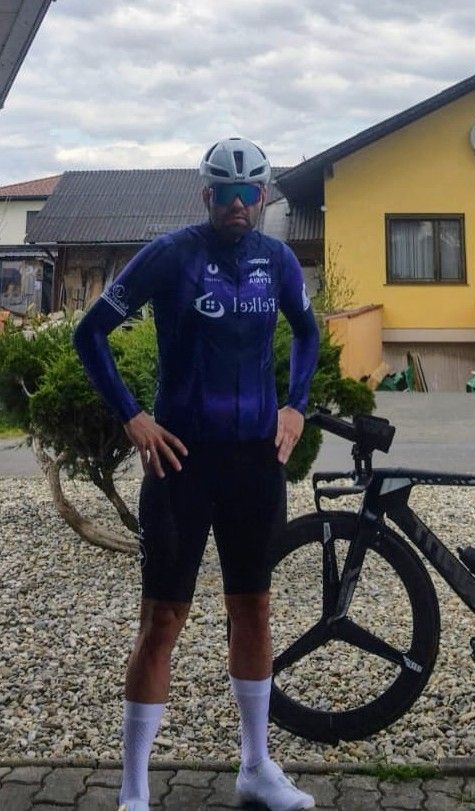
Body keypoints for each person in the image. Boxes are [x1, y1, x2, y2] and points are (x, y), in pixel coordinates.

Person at [73, 137, 320, 811]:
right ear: (204, 195)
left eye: (251, 193)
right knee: (162, 620)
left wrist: (295, 406)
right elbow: (89, 333)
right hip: (180, 462)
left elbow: (306, 330)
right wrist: (132, 416)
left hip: (254, 462)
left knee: (255, 608)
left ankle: (256, 767)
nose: (238, 205)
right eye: (224, 193)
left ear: (265, 195)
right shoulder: (170, 254)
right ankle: (133, 791)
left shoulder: (277, 259)